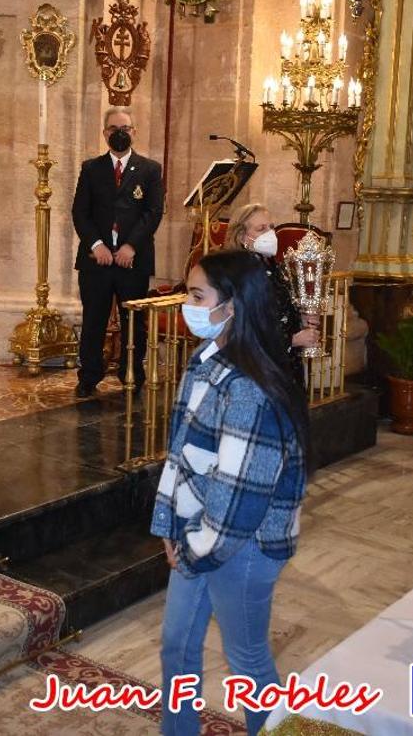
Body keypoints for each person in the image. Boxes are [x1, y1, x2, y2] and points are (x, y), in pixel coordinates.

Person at [151, 249, 308, 736]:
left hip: (241, 547)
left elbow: (240, 498)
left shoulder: (250, 389)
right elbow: (182, 456)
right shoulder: (207, 361)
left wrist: (194, 549)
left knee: (248, 660)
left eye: (197, 296)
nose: (187, 305)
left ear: (232, 306)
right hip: (201, 535)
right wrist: (169, 525)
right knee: (177, 643)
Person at [71, 107, 165, 397]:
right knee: (94, 320)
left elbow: (153, 212)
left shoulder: (150, 170)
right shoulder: (91, 168)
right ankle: (89, 376)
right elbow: (80, 213)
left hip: (132, 260)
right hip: (96, 260)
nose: (119, 133)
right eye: (113, 128)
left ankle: (133, 375)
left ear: (134, 132)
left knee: (133, 322)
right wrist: (97, 245)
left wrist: (130, 246)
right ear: (105, 133)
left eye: (125, 128)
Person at [226, 202, 320, 378]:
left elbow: (279, 312)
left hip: (284, 364)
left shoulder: (272, 266)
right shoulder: (239, 274)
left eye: (271, 227)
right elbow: (241, 328)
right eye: (261, 229)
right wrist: (293, 339)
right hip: (256, 370)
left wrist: (301, 319)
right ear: (241, 237)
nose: (270, 233)